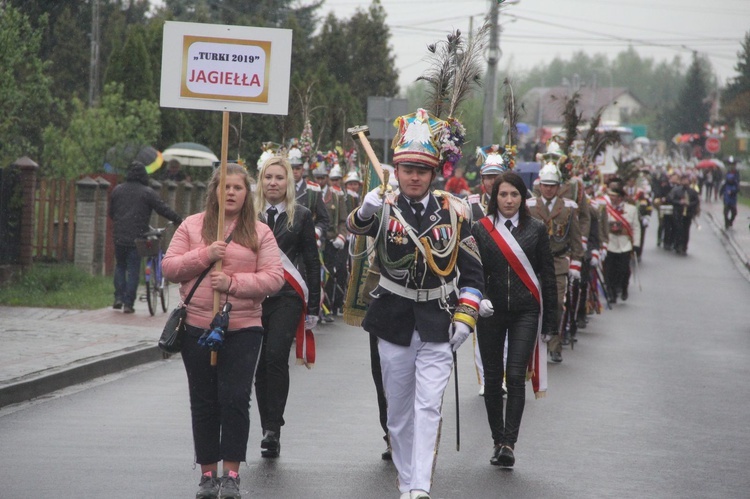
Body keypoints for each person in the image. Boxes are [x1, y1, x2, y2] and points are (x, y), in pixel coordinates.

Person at [347, 108, 484, 499]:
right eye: (407, 169)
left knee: (428, 407)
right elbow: (355, 228)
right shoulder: (384, 204)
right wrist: (367, 208)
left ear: (434, 172)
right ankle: (406, 481)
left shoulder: (457, 212)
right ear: (397, 169)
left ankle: (420, 487)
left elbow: (473, 273)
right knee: (398, 412)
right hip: (393, 317)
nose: (413, 177)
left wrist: (466, 316)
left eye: (422, 170)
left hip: (439, 319)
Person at [162, 163, 285, 499]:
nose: (231, 192)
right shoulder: (192, 226)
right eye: (225, 186)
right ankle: (207, 475)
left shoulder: (260, 232)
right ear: (214, 191)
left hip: (243, 327)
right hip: (197, 327)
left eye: (238, 187)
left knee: (234, 399)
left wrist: (232, 283)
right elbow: (170, 266)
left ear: (248, 194)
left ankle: (231, 474)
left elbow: (275, 279)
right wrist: (205, 255)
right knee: (203, 401)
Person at [471, 171, 557, 468]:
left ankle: (510, 443)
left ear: (523, 198)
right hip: (490, 311)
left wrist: (551, 323)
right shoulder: (480, 229)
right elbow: (473, 272)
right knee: (493, 379)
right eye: (503, 194)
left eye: (514, 195)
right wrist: (476, 300)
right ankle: (497, 439)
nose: (508, 200)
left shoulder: (536, 229)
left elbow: (547, 275)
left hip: (526, 310)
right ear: (494, 198)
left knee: (516, 375)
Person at [252, 155, 321, 459]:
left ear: (288, 182)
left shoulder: (301, 215)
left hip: (287, 296)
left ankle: (272, 429)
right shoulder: (247, 214)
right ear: (261, 181)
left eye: (279, 178)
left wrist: (315, 305)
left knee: (275, 356)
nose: (273, 183)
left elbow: (311, 261)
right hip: (252, 297)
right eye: (268, 177)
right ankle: (266, 422)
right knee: (259, 363)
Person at [109, 160, 183, 314]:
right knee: (133, 269)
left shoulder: (117, 190)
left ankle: (118, 298)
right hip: (138, 237)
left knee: (120, 266)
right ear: (144, 175)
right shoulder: (147, 192)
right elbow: (162, 209)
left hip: (119, 237)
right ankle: (128, 304)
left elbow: (111, 213)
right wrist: (178, 219)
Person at [527, 162, 583, 363]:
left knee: (557, 303)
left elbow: (576, 237)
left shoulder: (568, 208)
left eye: (553, 185)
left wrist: (576, 262)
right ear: (540, 185)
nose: (548, 188)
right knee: (531, 305)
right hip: (533, 263)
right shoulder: (530, 206)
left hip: (558, 261)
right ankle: (530, 343)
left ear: (559, 186)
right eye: (545, 184)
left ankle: (555, 344)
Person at [603, 184, 641, 301]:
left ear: (620, 197)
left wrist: (636, 244)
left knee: (623, 270)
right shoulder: (605, 208)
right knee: (609, 270)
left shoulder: (631, 209)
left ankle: (624, 287)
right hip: (610, 243)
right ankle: (611, 292)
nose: (611, 198)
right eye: (610, 195)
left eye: (613, 196)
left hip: (625, 245)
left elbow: (636, 227)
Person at [667, 174, 700, 255]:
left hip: (688, 213)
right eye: (683, 180)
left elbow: (696, 201)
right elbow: (671, 199)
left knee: (686, 230)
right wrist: (679, 202)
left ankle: (684, 246)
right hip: (678, 213)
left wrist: (689, 204)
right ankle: (678, 246)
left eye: (686, 180)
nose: (685, 182)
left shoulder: (692, 192)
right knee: (678, 230)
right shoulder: (677, 190)